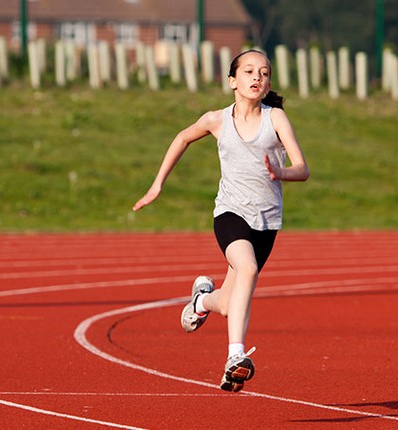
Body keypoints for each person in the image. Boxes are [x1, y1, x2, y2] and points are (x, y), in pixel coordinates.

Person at [132, 50, 309, 392]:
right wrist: (157, 185)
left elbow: (303, 169)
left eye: (264, 73)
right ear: (232, 81)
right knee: (248, 270)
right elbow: (182, 137)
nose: (257, 78)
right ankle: (235, 357)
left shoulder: (276, 119)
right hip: (230, 214)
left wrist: (281, 172)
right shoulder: (217, 120)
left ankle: (201, 301)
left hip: (266, 223)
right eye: (248, 72)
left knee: (228, 304)